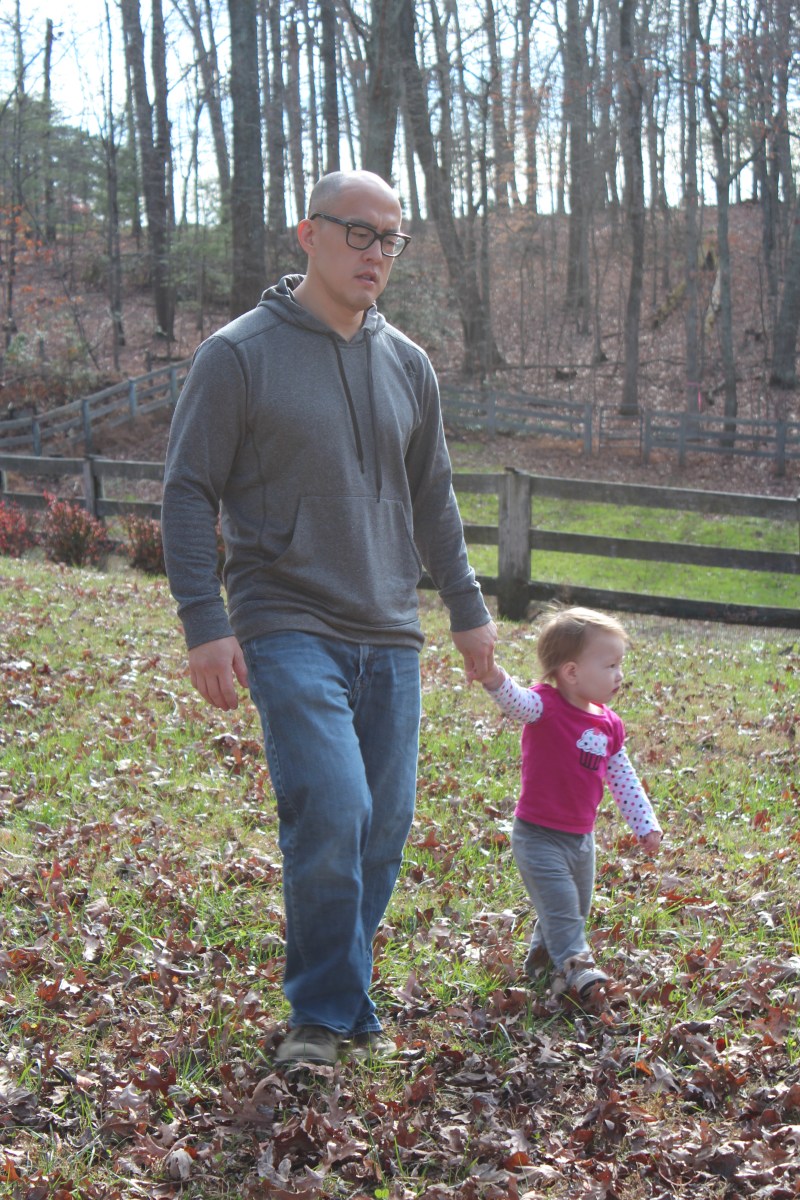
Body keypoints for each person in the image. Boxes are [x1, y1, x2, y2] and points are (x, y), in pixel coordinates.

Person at [161, 169, 497, 1068]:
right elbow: (188, 491)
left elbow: (434, 496)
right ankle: (321, 1014)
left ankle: (342, 997)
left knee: (382, 827)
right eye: (358, 232)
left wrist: (467, 609)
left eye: (390, 238)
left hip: (390, 626)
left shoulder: (409, 363)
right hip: (286, 617)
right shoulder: (238, 355)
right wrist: (203, 620)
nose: (376, 253)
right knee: (333, 808)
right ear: (308, 234)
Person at [469, 606, 661, 1000]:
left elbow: (623, 777)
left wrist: (645, 824)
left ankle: (542, 965)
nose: (619, 675)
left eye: (620, 664)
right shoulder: (545, 706)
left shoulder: (609, 724)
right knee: (560, 907)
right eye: (610, 665)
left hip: (581, 840)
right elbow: (515, 701)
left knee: (573, 908)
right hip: (538, 837)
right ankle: (579, 968)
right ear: (572, 672)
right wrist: (492, 676)